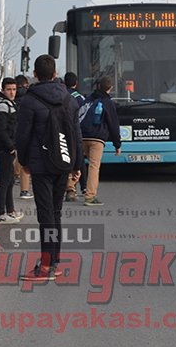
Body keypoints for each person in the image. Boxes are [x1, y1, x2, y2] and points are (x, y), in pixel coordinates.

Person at [15, 54, 83, 281]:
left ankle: (45, 266)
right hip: (63, 163)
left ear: (34, 74)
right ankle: (53, 261)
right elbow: (76, 134)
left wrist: (23, 161)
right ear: (55, 74)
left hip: (41, 165)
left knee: (46, 215)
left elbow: (22, 135)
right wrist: (77, 164)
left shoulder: (29, 100)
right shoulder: (69, 99)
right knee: (55, 213)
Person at [79, 76, 122, 206]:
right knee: (93, 167)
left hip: (81, 136)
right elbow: (113, 125)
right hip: (97, 138)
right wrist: (117, 144)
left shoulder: (88, 99)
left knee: (78, 163)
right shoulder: (108, 103)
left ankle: (70, 190)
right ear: (111, 88)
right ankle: (90, 196)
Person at [0, 77, 24, 223]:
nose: (12, 92)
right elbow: (0, 130)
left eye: (14, 89)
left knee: (8, 180)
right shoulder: (2, 106)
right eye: (9, 89)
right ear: (3, 90)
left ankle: (10, 211)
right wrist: (11, 146)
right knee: (5, 181)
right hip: (5, 148)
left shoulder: (6, 104)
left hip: (7, 147)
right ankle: (1, 214)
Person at [63, 72, 87, 201]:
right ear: (76, 83)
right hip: (75, 133)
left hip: (61, 133)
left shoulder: (61, 96)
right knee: (79, 160)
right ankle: (82, 187)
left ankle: (68, 188)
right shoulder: (79, 99)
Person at [14, 74, 33, 199]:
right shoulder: (30, 98)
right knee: (26, 159)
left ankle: (15, 175)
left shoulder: (12, 98)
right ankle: (24, 190)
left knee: (16, 155)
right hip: (26, 131)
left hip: (13, 131)